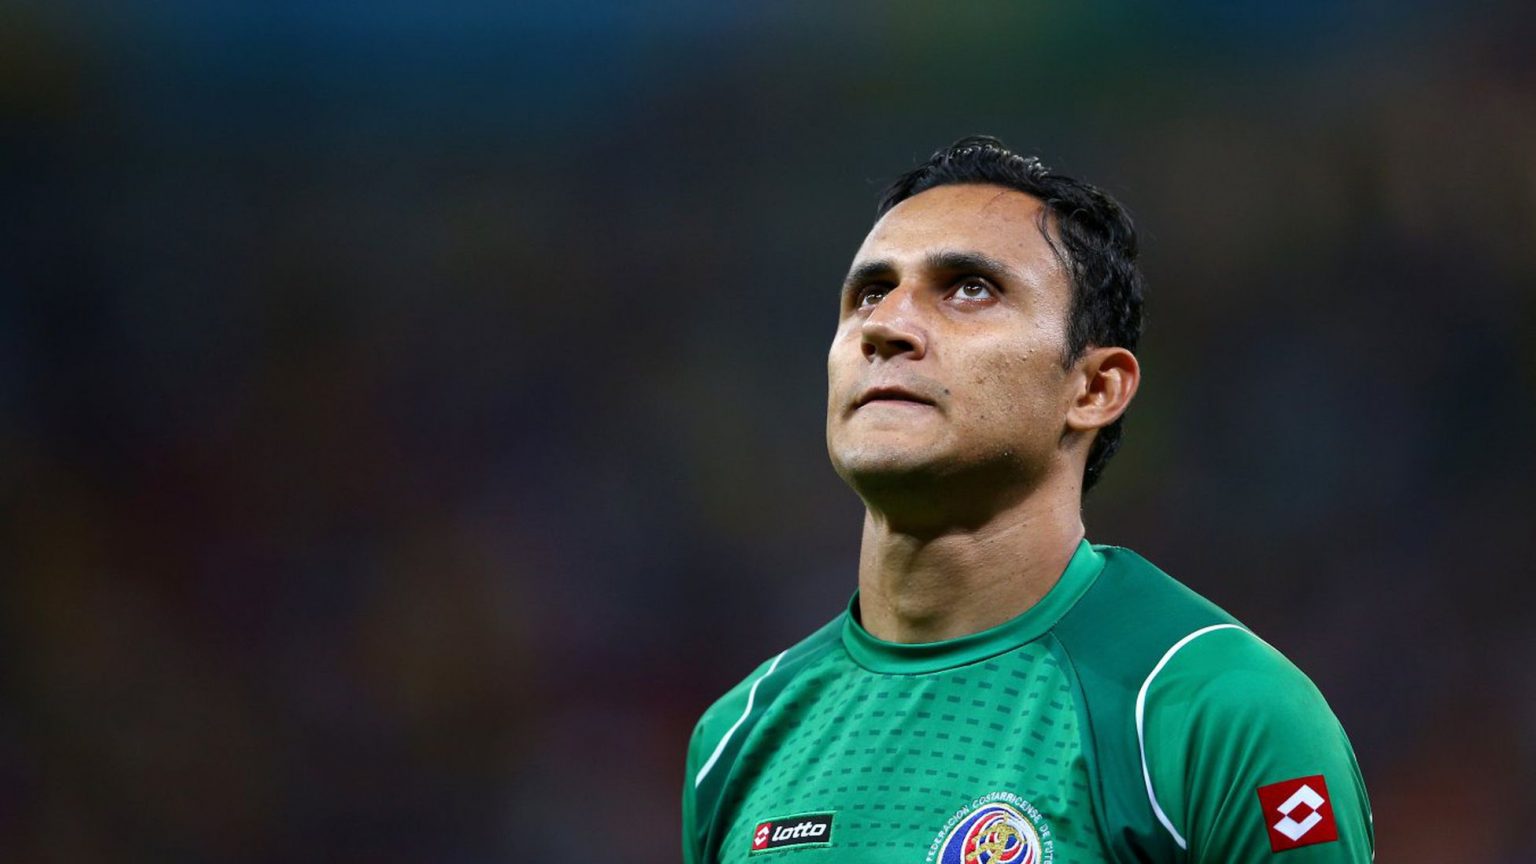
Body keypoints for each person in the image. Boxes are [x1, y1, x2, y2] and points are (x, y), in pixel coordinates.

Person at [681, 136, 1373, 863]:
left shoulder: (1219, 711)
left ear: (1094, 388)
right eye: (871, 293)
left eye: (969, 288)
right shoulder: (737, 737)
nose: (884, 327)